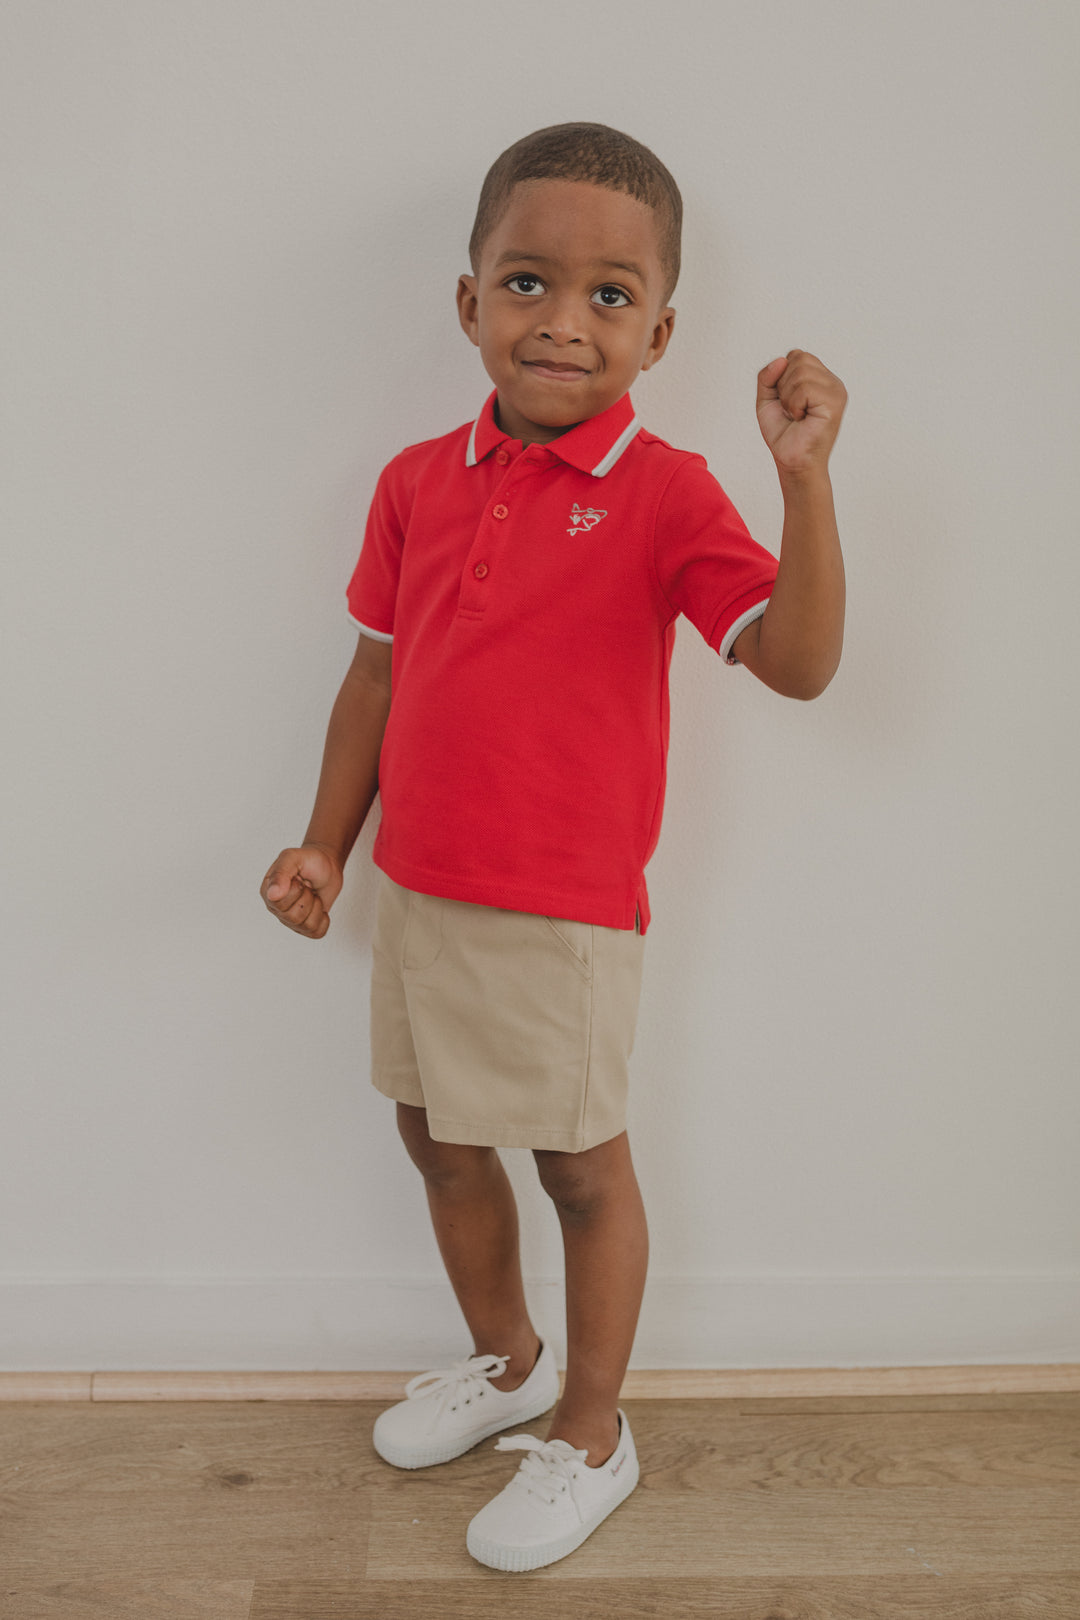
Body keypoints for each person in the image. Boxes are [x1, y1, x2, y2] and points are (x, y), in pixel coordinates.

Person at [260, 121, 847, 1573]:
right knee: (436, 1135)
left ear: (659, 329)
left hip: (565, 910)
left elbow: (798, 662)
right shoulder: (414, 481)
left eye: (607, 296)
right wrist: (329, 844)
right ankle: (510, 1359)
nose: (562, 322)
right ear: (470, 304)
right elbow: (376, 675)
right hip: (417, 893)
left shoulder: (667, 493)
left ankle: (594, 1427)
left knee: (580, 1169)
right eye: (527, 282)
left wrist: (806, 481)